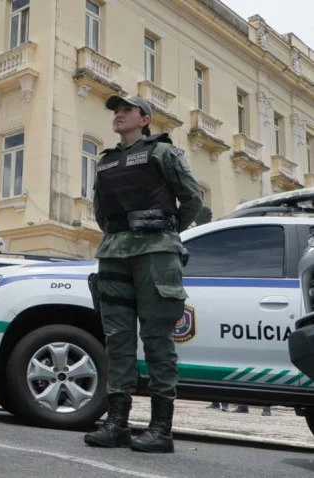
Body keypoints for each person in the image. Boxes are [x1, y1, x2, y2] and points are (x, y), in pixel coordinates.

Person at [83, 95, 203, 454]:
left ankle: (160, 429)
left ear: (145, 119)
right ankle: (117, 424)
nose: (118, 115)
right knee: (117, 339)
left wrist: (165, 230)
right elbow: (101, 212)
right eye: (115, 111)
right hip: (114, 253)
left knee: (156, 340)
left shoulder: (163, 153)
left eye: (126, 110)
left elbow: (192, 199)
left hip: (155, 253)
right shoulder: (105, 162)